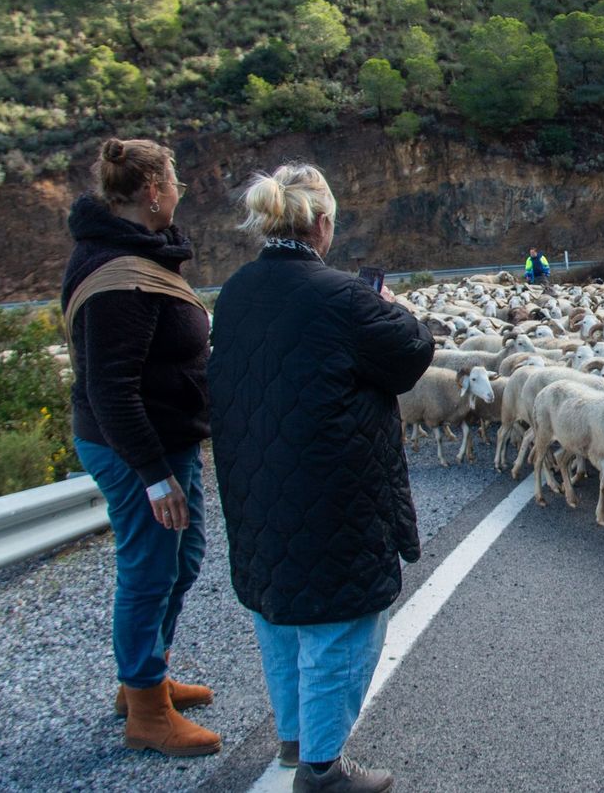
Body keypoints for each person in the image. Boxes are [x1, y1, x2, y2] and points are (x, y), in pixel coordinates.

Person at [208, 163, 433, 793]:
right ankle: (325, 770)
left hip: (255, 486)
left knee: (281, 614)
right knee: (343, 620)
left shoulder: (236, 292)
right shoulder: (343, 296)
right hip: (334, 490)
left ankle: (295, 742)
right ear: (323, 224)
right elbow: (412, 355)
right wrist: (393, 308)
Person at [61, 138, 220, 758]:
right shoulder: (118, 277)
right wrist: (155, 475)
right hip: (136, 449)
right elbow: (109, 386)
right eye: (175, 180)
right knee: (149, 568)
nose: (180, 191)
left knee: (181, 558)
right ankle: (146, 710)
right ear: (153, 191)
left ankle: (147, 675)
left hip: (167, 439)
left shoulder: (133, 254)